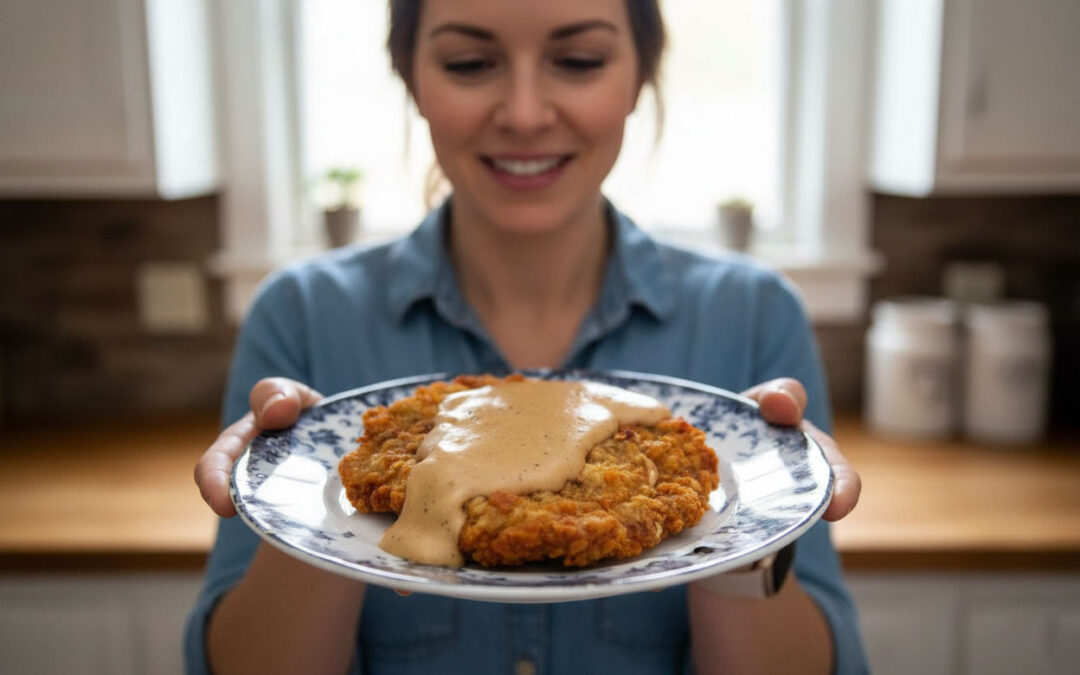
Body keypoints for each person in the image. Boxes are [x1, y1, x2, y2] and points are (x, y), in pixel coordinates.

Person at [186, 1, 868, 673]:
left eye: (577, 61)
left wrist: (749, 539)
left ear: (640, 73)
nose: (523, 113)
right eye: (469, 63)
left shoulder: (754, 315)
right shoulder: (302, 315)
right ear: (409, 75)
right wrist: (304, 508)